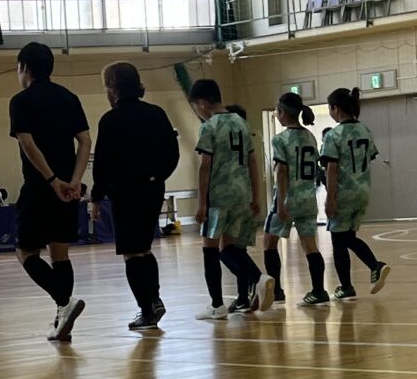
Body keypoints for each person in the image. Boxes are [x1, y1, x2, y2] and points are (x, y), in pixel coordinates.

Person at [8, 40, 91, 342]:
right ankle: (62, 319)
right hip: (68, 189)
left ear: (24, 68)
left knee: (24, 250)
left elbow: (27, 143)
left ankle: (64, 303)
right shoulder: (69, 97)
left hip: (39, 187)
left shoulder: (21, 101)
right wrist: (75, 180)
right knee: (60, 253)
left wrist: (52, 180)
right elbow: (85, 140)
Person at [91, 60, 180, 332]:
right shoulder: (156, 113)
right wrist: (158, 176)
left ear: (112, 88)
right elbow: (172, 152)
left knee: (131, 253)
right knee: (144, 247)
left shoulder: (110, 120)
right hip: (152, 189)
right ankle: (154, 299)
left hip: (125, 192)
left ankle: (147, 308)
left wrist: (96, 197)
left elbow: (102, 163)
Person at [189, 79, 265, 320]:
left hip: (219, 195)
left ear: (202, 103)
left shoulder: (209, 127)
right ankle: (254, 284)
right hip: (242, 193)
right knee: (230, 248)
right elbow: (253, 161)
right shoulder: (241, 123)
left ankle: (219, 303)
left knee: (210, 249)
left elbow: (205, 167)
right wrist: (256, 195)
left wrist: (201, 203)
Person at [318, 87, 388, 298]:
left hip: (344, 192)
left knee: (339, 241)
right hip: (363, 190)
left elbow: (331, 168)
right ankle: (360, 276)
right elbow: (370, 157)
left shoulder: (334, 135)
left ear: (336, 108)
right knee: (348, 237)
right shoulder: (365, 130)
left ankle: (365, 272)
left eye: (330, 108)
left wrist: (330, 197)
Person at [266, 91, 329, 307]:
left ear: (283, 113)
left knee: (269, 242)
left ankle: (277, 291)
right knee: (310, 245)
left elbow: (282, 171)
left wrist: (281, 202)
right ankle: (319, 291)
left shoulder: (280, 139)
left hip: (288, 197)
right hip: (308, 197)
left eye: (277, 111)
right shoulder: (309, 136)